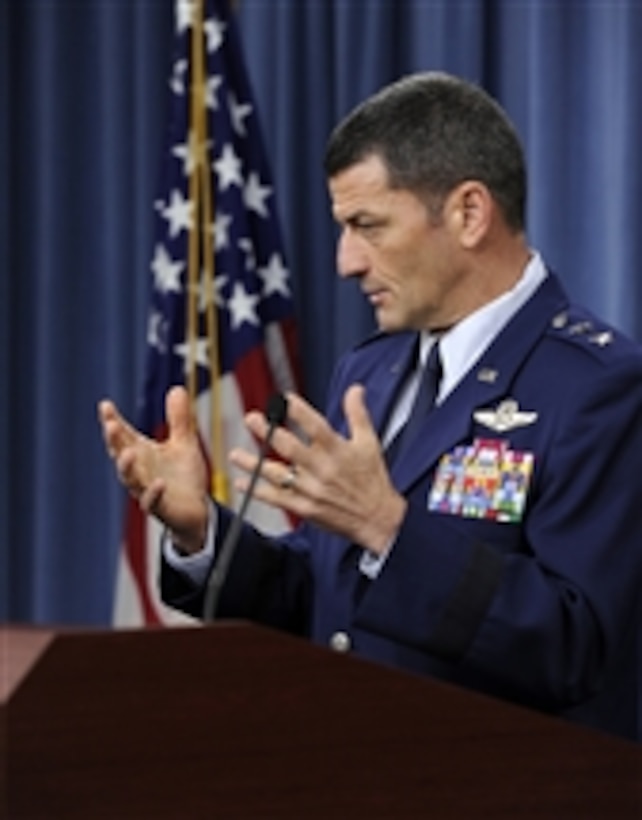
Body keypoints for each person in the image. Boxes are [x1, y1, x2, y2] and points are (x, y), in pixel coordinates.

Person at [100, 71, 642, 741]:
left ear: (469, 214)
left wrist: (391, 529)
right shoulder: (372, 371)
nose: (345, 262)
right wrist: (200, 534)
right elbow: (328, 597)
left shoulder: (598, 386)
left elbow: (578, 647)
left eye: (367, 225)